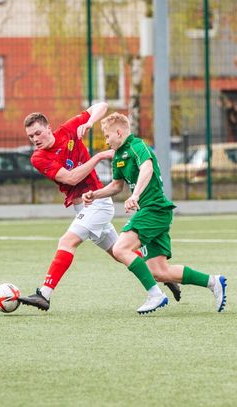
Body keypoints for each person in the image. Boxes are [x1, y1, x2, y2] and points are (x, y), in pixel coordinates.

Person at [17, 103, 181, 312]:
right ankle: (163, 277)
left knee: (67, 241)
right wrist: (98, 156)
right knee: (119, 252)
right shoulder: (38, 157)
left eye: (38, 133)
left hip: (97, 204)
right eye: (31, 136)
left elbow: (102, 106)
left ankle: (44, 294)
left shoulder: (67, 131)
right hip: (83, 207)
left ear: (48, 128)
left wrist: (89, 122)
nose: (35, 139)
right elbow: (71, 178)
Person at [83, 112, 227, 314]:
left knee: (120, 249)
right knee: (159, 271)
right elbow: (116, 185)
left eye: (108, 136)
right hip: (151, 211)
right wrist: (95, 195)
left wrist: (135, 195)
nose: (106, 141)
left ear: (119, 132)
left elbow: (147, 168)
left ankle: (155, 295)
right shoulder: (118, 155)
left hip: (154, 209)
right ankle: (213, 282)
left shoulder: (137, 146)